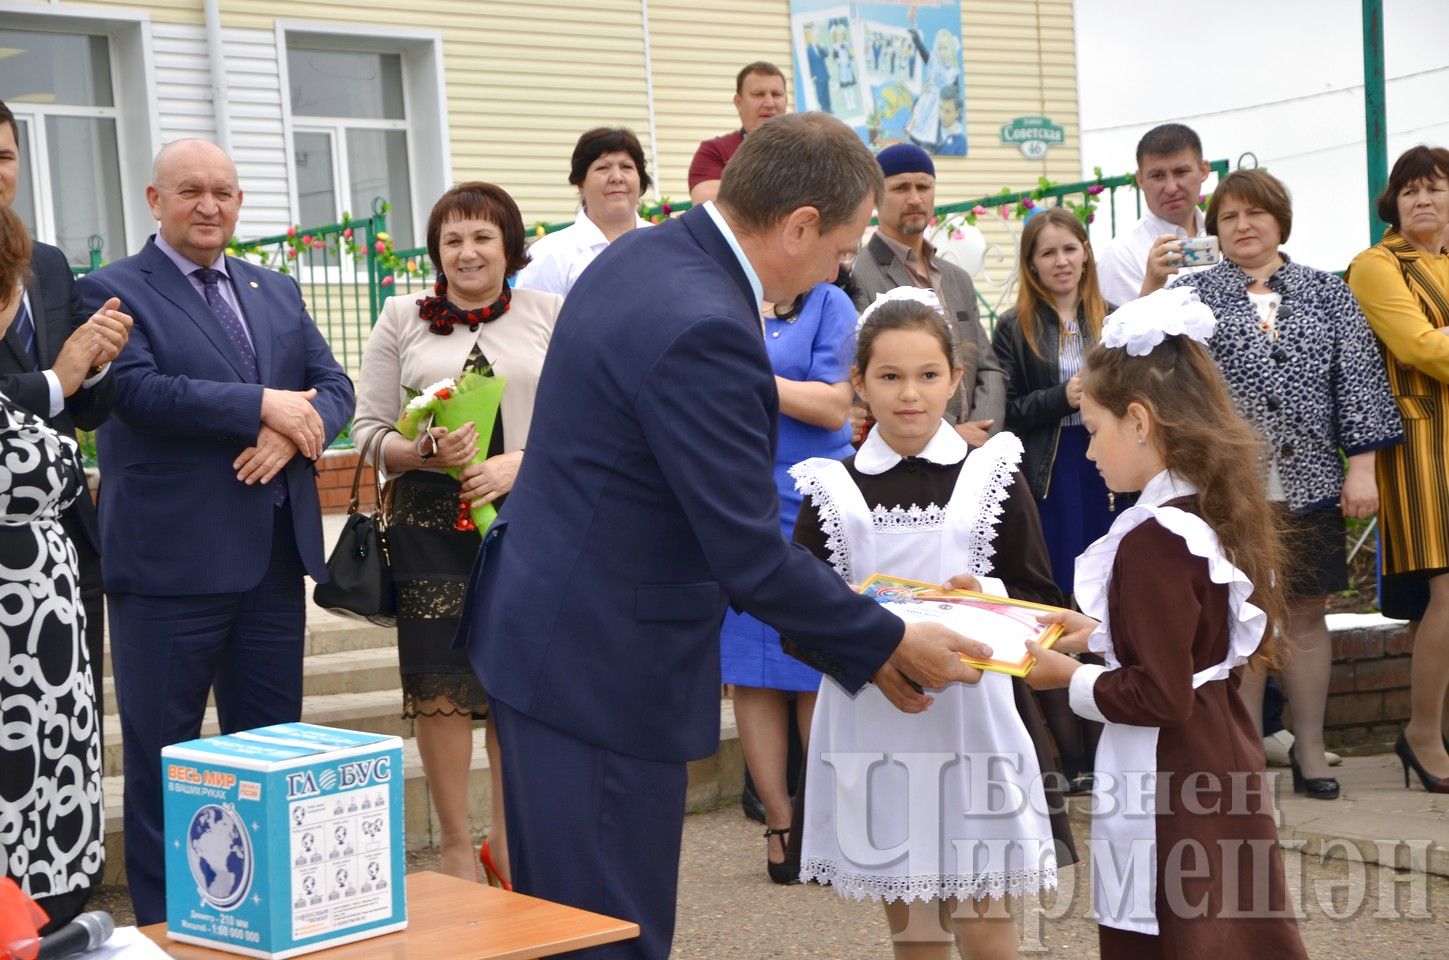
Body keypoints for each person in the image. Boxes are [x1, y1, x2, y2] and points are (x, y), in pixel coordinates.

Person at [458, 112, 993, 960]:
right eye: (843, 248)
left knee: (568, 925)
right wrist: (887, 640)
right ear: (798, 226)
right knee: (607, 937)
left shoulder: (645, 254)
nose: (840, 271)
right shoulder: (708, 324)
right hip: (602, 671)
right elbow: (746, 551)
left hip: (554, 641)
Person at [75, 138, 355, 924]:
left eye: (224, 192)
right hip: (168, 570)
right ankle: (168, 929)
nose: (210, 205)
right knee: (169, 766)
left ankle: (261, 918)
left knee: (266, 760)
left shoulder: (274, 288)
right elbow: (136, 393)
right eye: (191, 190)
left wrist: (290, 430)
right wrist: (263, 405)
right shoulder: (111, 290)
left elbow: (332, 386)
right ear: (153, 199)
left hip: (269, 564)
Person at [1024, 287, 1308, 958]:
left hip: (1170, 775)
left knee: (1180, 924)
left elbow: (1158, 692)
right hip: (1219, 748)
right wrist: (1095, 636)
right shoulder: (1203, 512)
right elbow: (1190, 641)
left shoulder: (1152, 540)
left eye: (1093, 431)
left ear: (1140, 421)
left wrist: (1068, 679)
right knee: (1232, 920)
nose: (1089, 453)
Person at [792, 291, 1072, 959]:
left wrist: (985, 598)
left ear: (954, 377)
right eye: (888, 377)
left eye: (926, 375)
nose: (908, 394)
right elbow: (797, 619)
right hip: (878, 723)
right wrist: (868, 654)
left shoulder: (992, 472)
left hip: (975, 722)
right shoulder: (832, 488)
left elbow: (1039, 596)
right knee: (914, 928)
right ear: (858, 383)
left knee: (985, 919)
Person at [354, 183, 561, 885]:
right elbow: (367, 430)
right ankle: (450, 845)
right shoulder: (400, 316)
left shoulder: (550, 315)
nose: (466, 252)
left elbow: (582, 427)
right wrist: (414, 453)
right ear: (437, 251)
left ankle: (505, 841)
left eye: (481, 237)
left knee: (510, 683)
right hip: (427, 525)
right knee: (439, 685)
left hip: (523, 521)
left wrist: (517, 465)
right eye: (451, 240)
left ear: (509, 245)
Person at [1173, 169, 1402, 800]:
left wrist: (1363, 469)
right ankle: (1241, 755)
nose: (1243, 226)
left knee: (1304, 616)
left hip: (1309, 483)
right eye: (1228, 217)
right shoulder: (1190, 296)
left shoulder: (1328, 292)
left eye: (1256, 214)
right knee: (1237, 618)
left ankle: (1309, 749)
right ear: (1214, 230)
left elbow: (1358, 381)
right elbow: (1171, 388)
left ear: (1280, 219)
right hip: (1227, 489)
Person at [721, 268, 856, 884]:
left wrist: (753, 380)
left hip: (814, 500)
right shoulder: (732, 297)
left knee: (812, 671)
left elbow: (834, 406)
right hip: (737, 497)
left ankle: (823, 823)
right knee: (750, 673)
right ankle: (780, 826)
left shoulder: (830, 303)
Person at [0, 100, 129, 733]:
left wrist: (99, 362)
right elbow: (54, 383)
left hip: (68, 538)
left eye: (3, 157)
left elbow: (85, 412)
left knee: (71, 723)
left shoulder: (45, 262)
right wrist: (60, 376)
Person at [0, 205, 105, 934]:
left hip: (46, 677)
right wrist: (58, 379)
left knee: (45, 835)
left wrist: (84, 376)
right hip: (14, 676)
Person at [990, 207, 1114, 794]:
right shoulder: (1013, 328)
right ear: (1032, 264)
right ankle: (1074, 755)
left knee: (1104, 604)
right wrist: (1062, 396)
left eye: (1069, 248)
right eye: (1048, 253)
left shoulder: (1112, 319)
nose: (1061, 261)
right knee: (1056, 605)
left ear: (1085, 252)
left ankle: (1106, 743)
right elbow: (1006, 413)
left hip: (1105, 475)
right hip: (1048, 477)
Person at [1345, 144, 1449, 792]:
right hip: (1421, 445)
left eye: (1435, 188)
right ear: (1393, 201)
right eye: (1409, 190)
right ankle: (1420, 734)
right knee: (1445, 592)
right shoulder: (1377, 265)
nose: (1422, 200)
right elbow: (1415, 345)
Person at [850, 143, 1005, 445]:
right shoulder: (860, 275)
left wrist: (983, 432)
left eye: (924, 186)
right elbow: (865, 378)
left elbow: (988, 366)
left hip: (975, 451)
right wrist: (948, 433)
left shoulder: (956, 278)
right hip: (906, 451)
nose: (915, 198)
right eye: (901, 188)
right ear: (875, 197)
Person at [514, 127, 651, 298]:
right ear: (580, 183)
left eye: (626, 167)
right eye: (603, 168)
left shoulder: (668, 244)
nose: (617, 177)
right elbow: (534, 323)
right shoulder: (549, 255)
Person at [1095, 123, 1212, 307]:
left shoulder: (1226, 237)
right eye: (1158, 176)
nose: (1171, 188)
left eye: (1181, 172)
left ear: (1203, 170)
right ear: (1140, 179)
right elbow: (1118, 333)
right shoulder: (1121, 255)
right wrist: (1151, 287)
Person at [687, 61, 788, 204]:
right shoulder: (714, 152)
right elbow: (711, 207)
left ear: (786, 100)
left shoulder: (809, 149)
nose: (770, 103)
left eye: (776, 94)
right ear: (739, 102)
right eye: (759, 94)